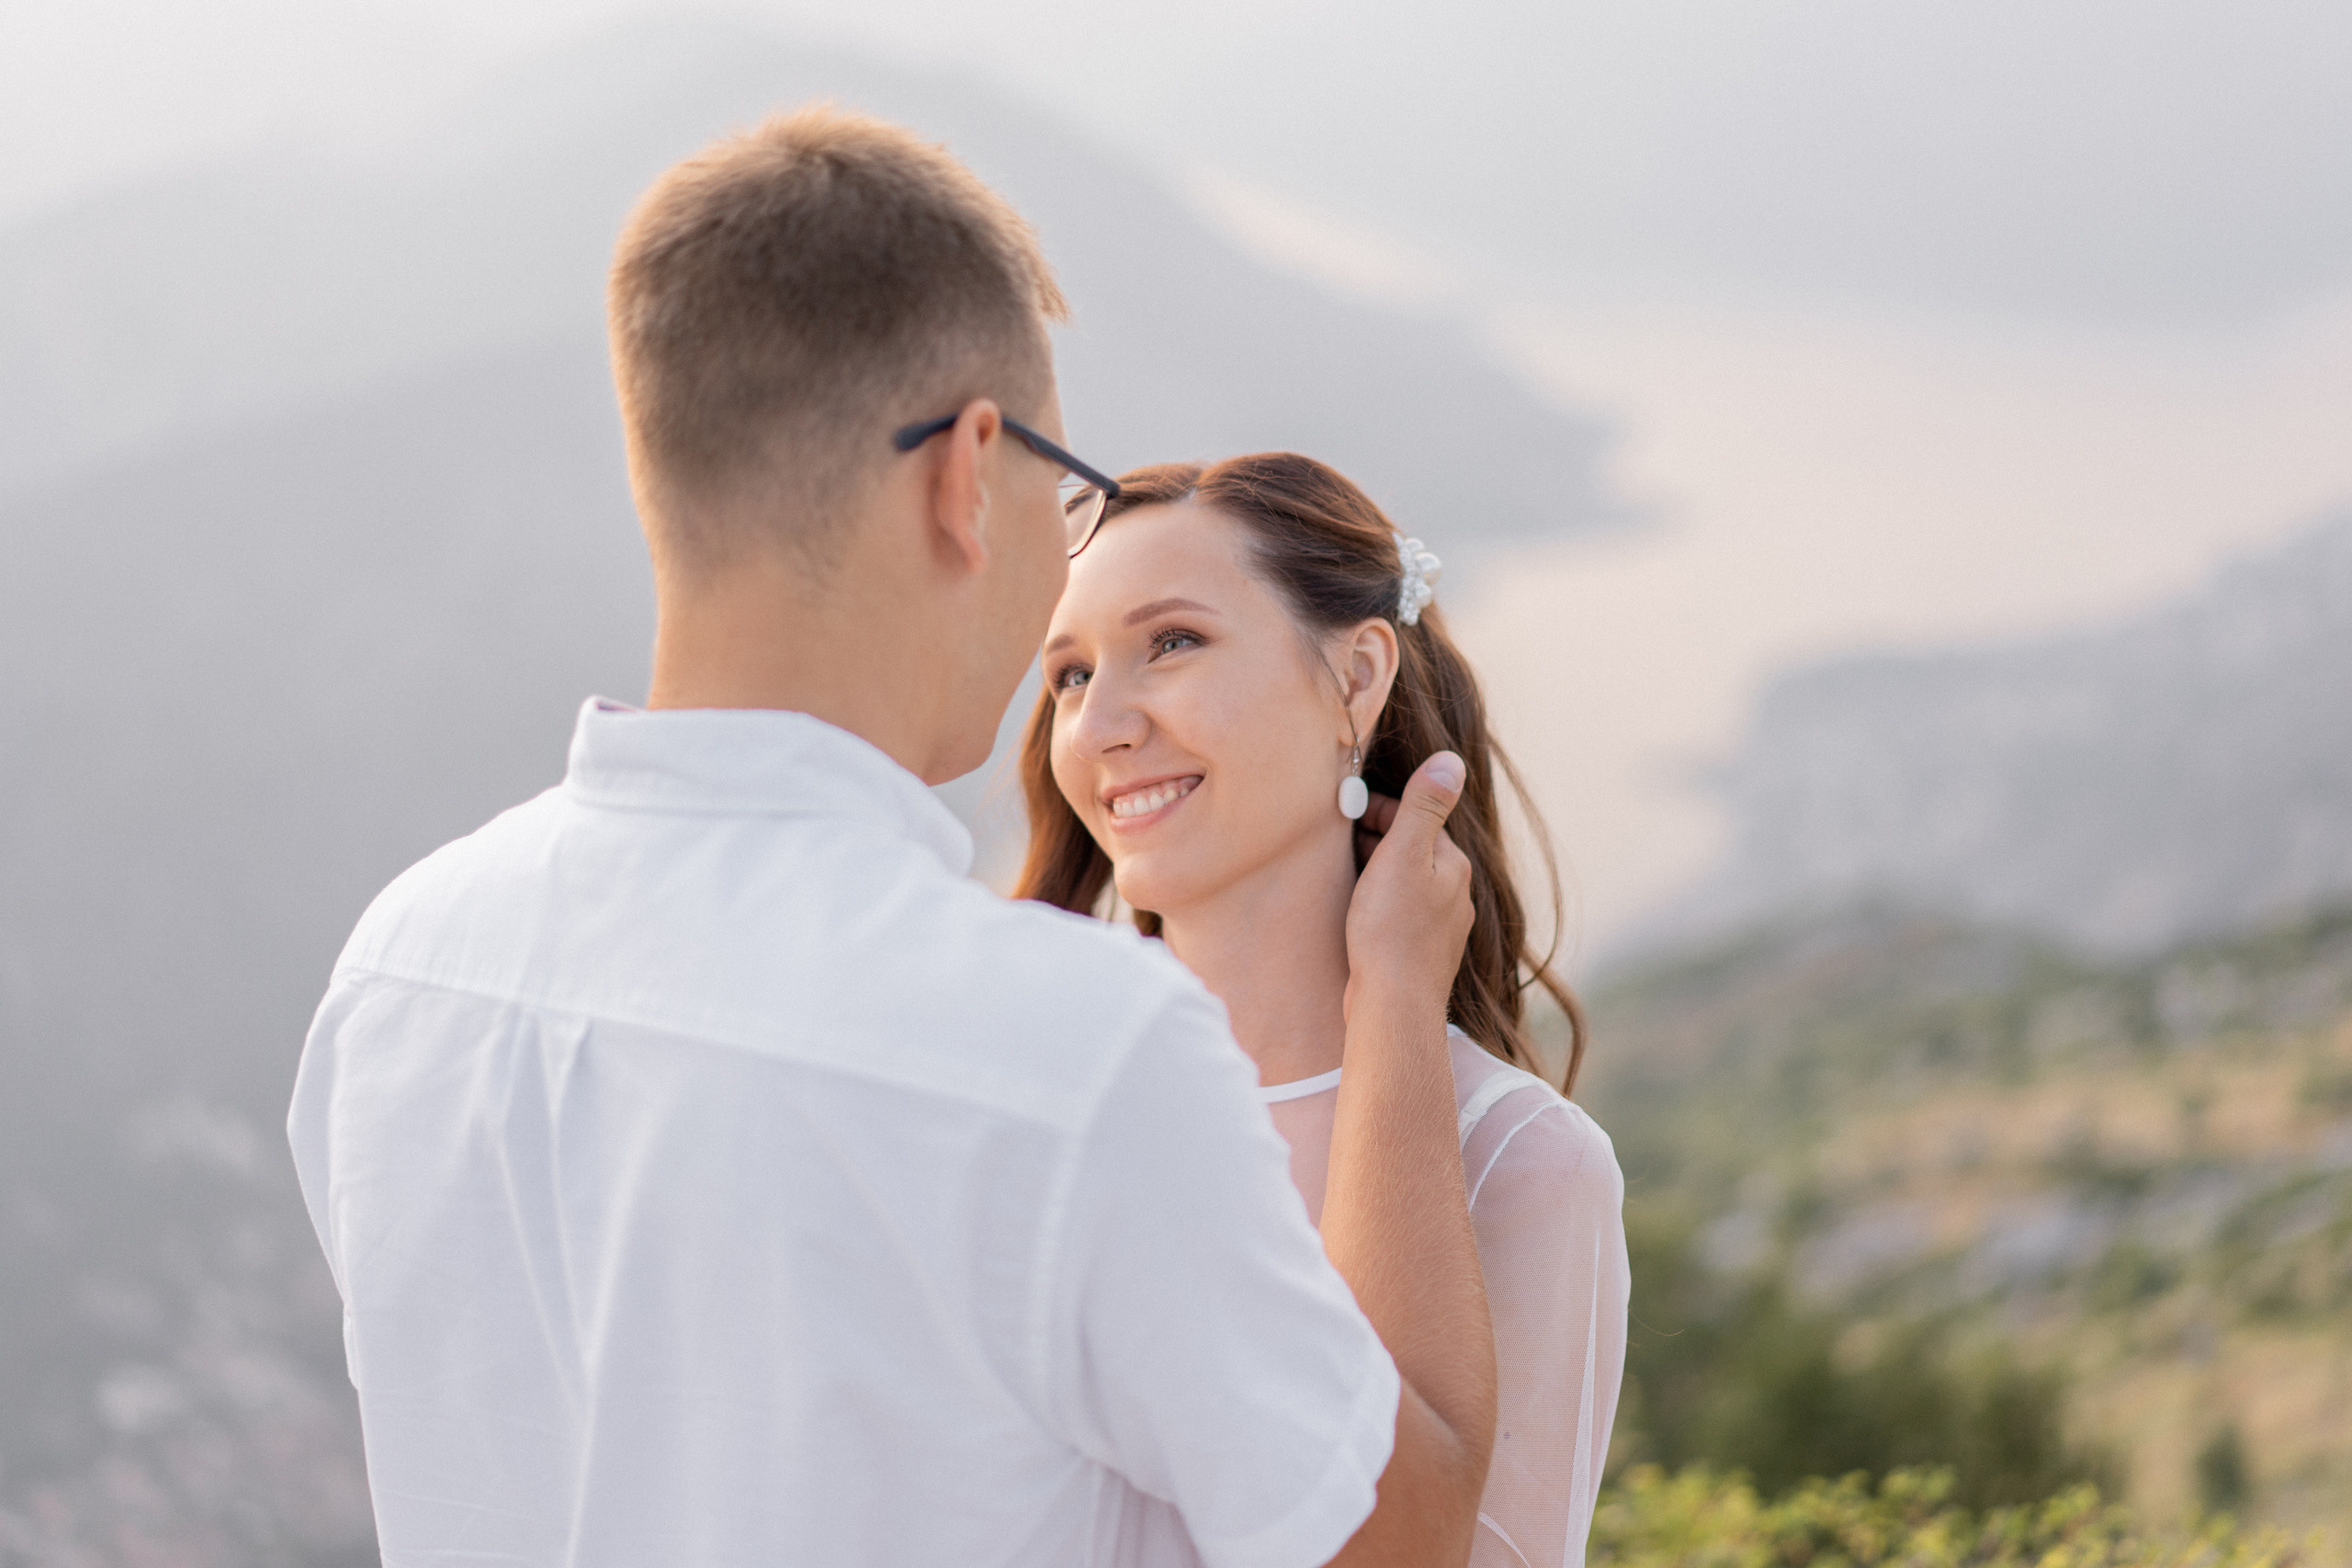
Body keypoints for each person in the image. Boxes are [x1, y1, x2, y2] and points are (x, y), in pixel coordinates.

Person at [287, 107, 1499, 1567]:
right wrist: (1402, 1011)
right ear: (960, 472)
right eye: (1056, 482)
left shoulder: (402, 972)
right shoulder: (1071, 1049)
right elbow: (1412, 1531)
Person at [1015, 454, 1630, 1568]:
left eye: (1171, 643)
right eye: (1066, 676)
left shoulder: (1521, 1168)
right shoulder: (1023, 1097)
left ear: (1356, 679)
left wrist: (1394, 1002)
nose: (1099, 726)